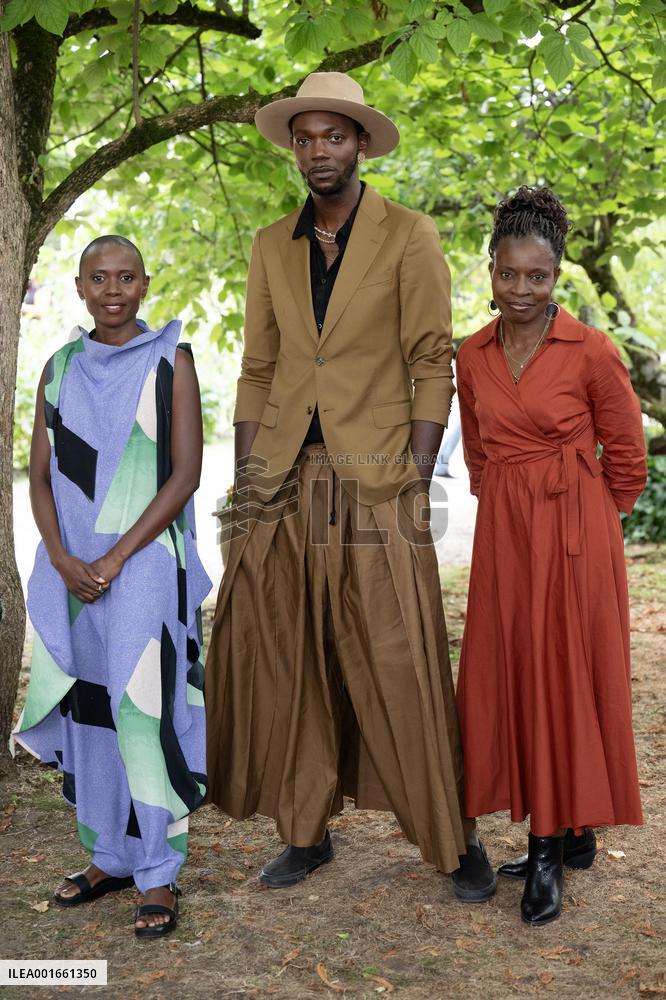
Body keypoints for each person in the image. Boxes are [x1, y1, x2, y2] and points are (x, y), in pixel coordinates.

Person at [205, 72, 495, 902]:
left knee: (398, 659)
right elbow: (259, 370)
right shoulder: (271, 244)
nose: (317, 151)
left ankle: (452, 834)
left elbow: (429, 363)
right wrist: (248, 489)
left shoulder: (409, 236)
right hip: (287, 481)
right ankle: (306, 830)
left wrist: (413, 474)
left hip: (378, 481)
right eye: (305, 138)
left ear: (361, 143)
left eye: (334, 136)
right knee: (292, 655)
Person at [455, 187, 647, 926]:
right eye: (510, 274)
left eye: (539, 277)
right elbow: (476, 451)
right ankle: (573, 833)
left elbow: (627, 456)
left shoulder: (591, 350)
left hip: (575, 531)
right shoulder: (469, 355)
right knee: (518, 671)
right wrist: (509, 501)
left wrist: (593, 518)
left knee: (566, 672)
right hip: (506, 531)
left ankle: (547, 848)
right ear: (491, 272)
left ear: (557, 277)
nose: (523, 290)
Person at [11, 236, 212, 939]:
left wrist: (118, 556)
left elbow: (184, 473)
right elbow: (39, 474)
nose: (114, 289)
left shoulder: (170, 361)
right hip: (75, 570)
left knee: (140, 713)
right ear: (79, 286)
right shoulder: (59, 367)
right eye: (99, 278)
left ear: (146, 283)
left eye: (126, 276)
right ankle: (111, 856)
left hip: (143, 563)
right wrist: (64, 557)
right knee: (93, 711)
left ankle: (158, 871)